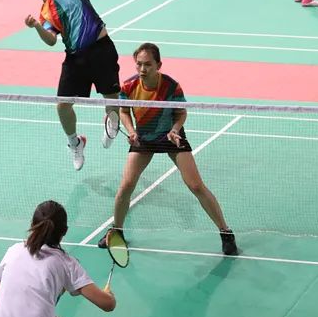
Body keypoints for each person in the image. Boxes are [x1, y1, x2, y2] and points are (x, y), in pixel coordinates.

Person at [98, 43, 238, 256]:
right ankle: (116, 231)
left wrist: (175, 130)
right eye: (139, 64)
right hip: (143, 138)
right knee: (126, 185)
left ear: (158, 65)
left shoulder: (171, 87)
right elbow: (124, 111)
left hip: (171, 137)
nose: (142, 69)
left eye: (148, 64)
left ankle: (226, 232)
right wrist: (131, 131)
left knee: (196, 185)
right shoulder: (128, 86)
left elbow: (181, 113)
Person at [20, 0, 121, 171]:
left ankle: (113, 120)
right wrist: (36, 26)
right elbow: (51, 40)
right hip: (75, 57)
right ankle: (75, 143)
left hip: (100, 47)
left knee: (111, 97)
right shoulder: (44, 14)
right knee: (63, 105)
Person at [0, 200, 116, 317]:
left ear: (32, 225)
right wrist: (109, 296)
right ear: (65, 231)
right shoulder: (67, 264)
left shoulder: (13, 250)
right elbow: (107, 304)